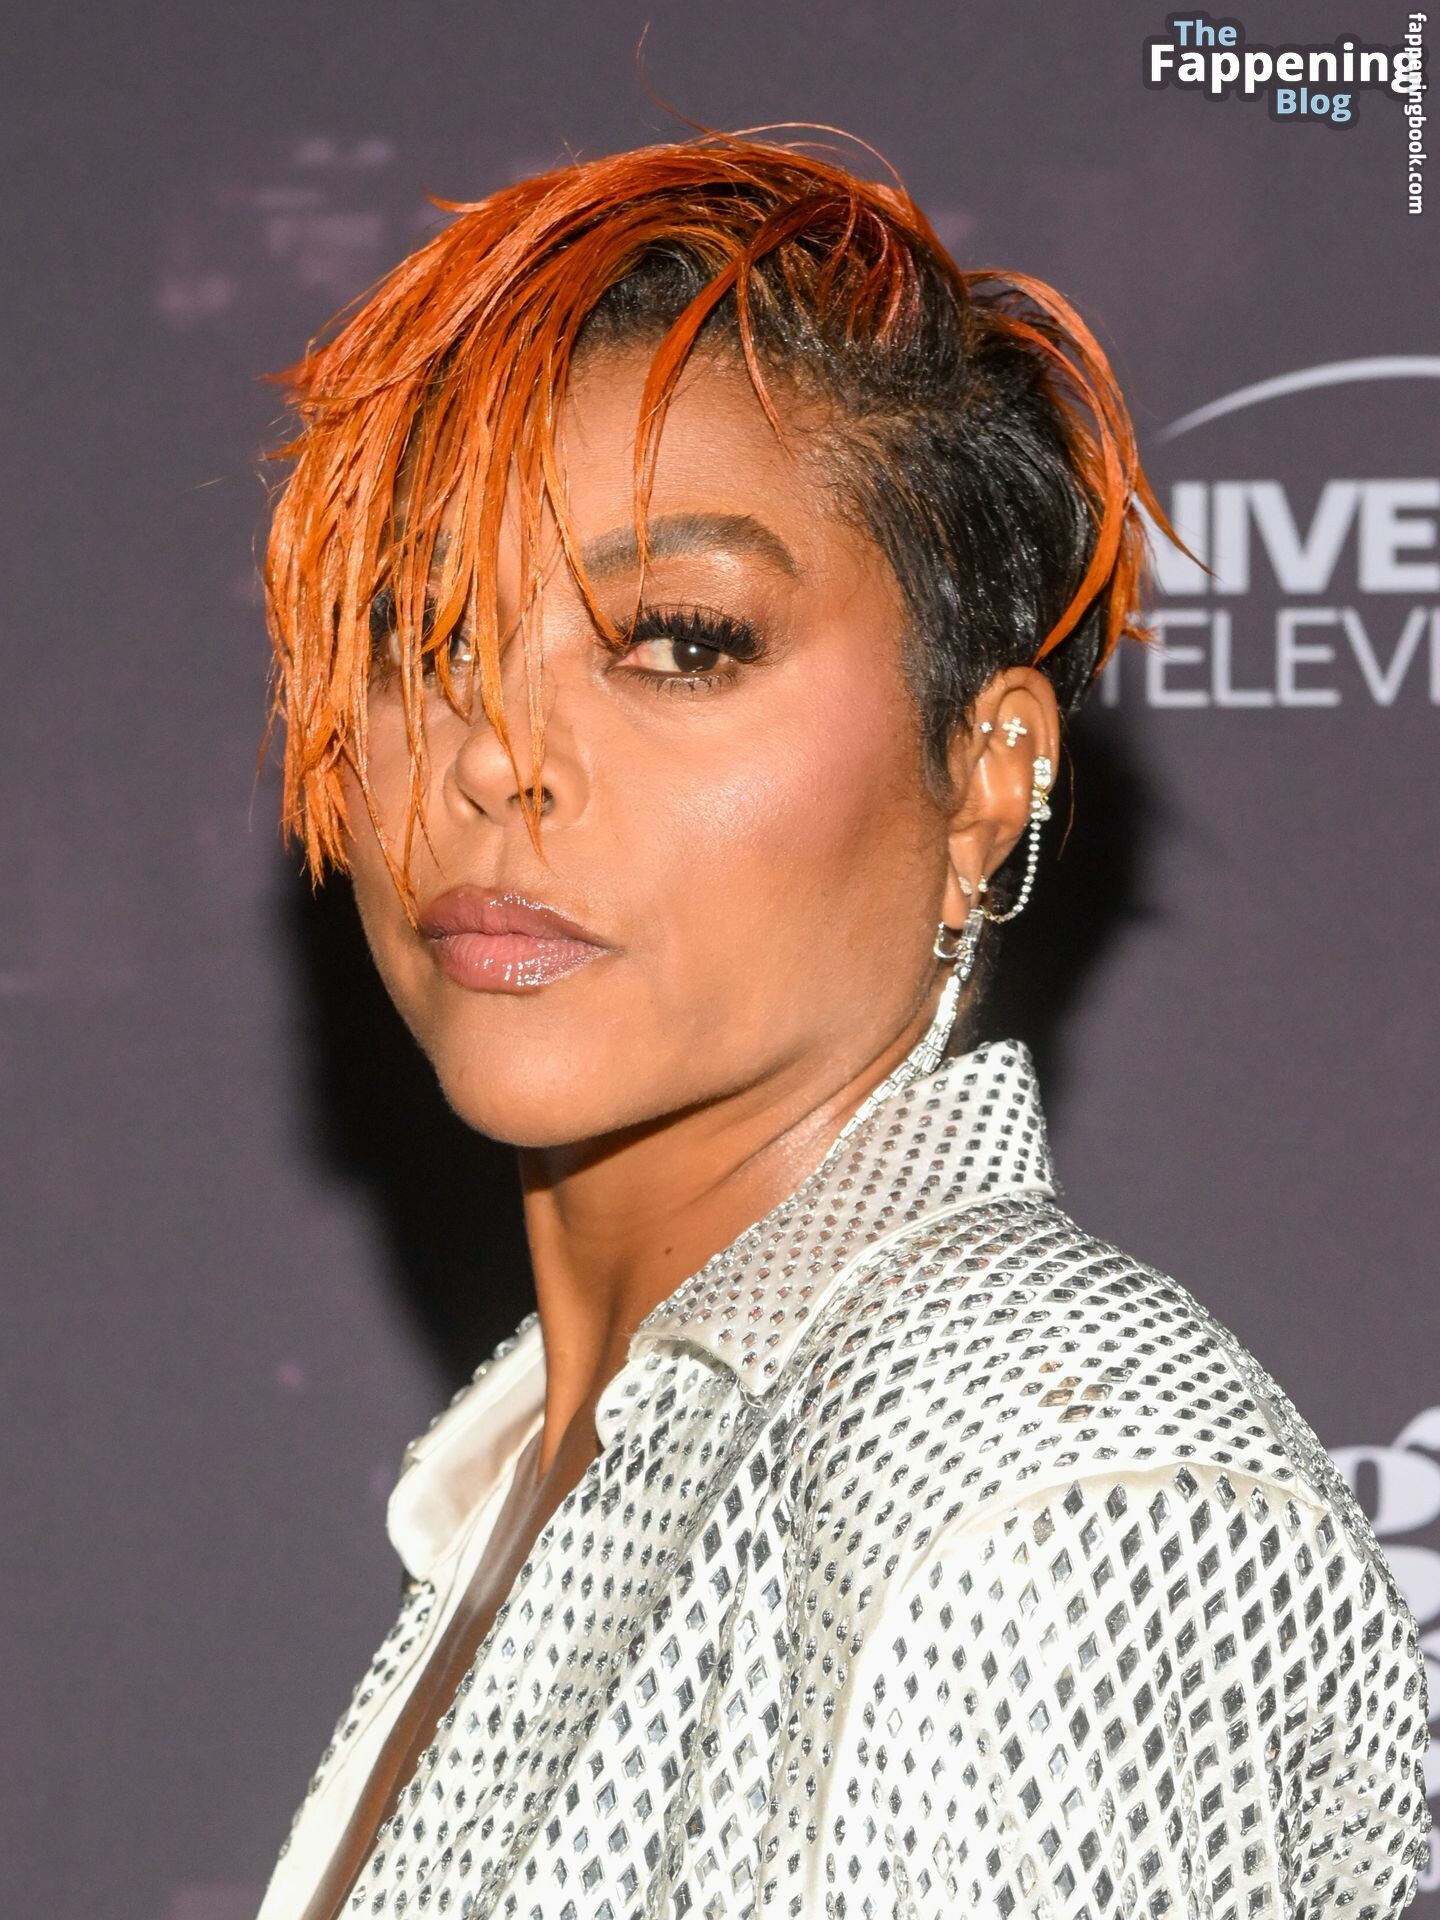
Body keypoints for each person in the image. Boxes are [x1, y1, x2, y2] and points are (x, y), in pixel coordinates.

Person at [253, 134, 1431, 1920]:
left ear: (985, 774)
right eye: (426, 634)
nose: (497, 754)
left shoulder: (1032, 1486)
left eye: (678, 641)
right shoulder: (564, 1469)